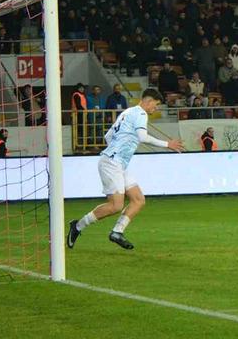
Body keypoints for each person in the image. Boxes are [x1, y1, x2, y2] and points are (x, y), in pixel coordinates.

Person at [67, 89, 185, 250]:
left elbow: (108, 136)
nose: (155, 109)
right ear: (148, 101)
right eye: (156, 105)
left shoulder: (127, 112)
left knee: (138, 200)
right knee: (115, 205)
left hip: (118, 163)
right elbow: (142, 138)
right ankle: (78, 226)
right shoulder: (141, 114)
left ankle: (117, 231)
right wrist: (167, 144)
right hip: (112, 163)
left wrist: (118, 150)